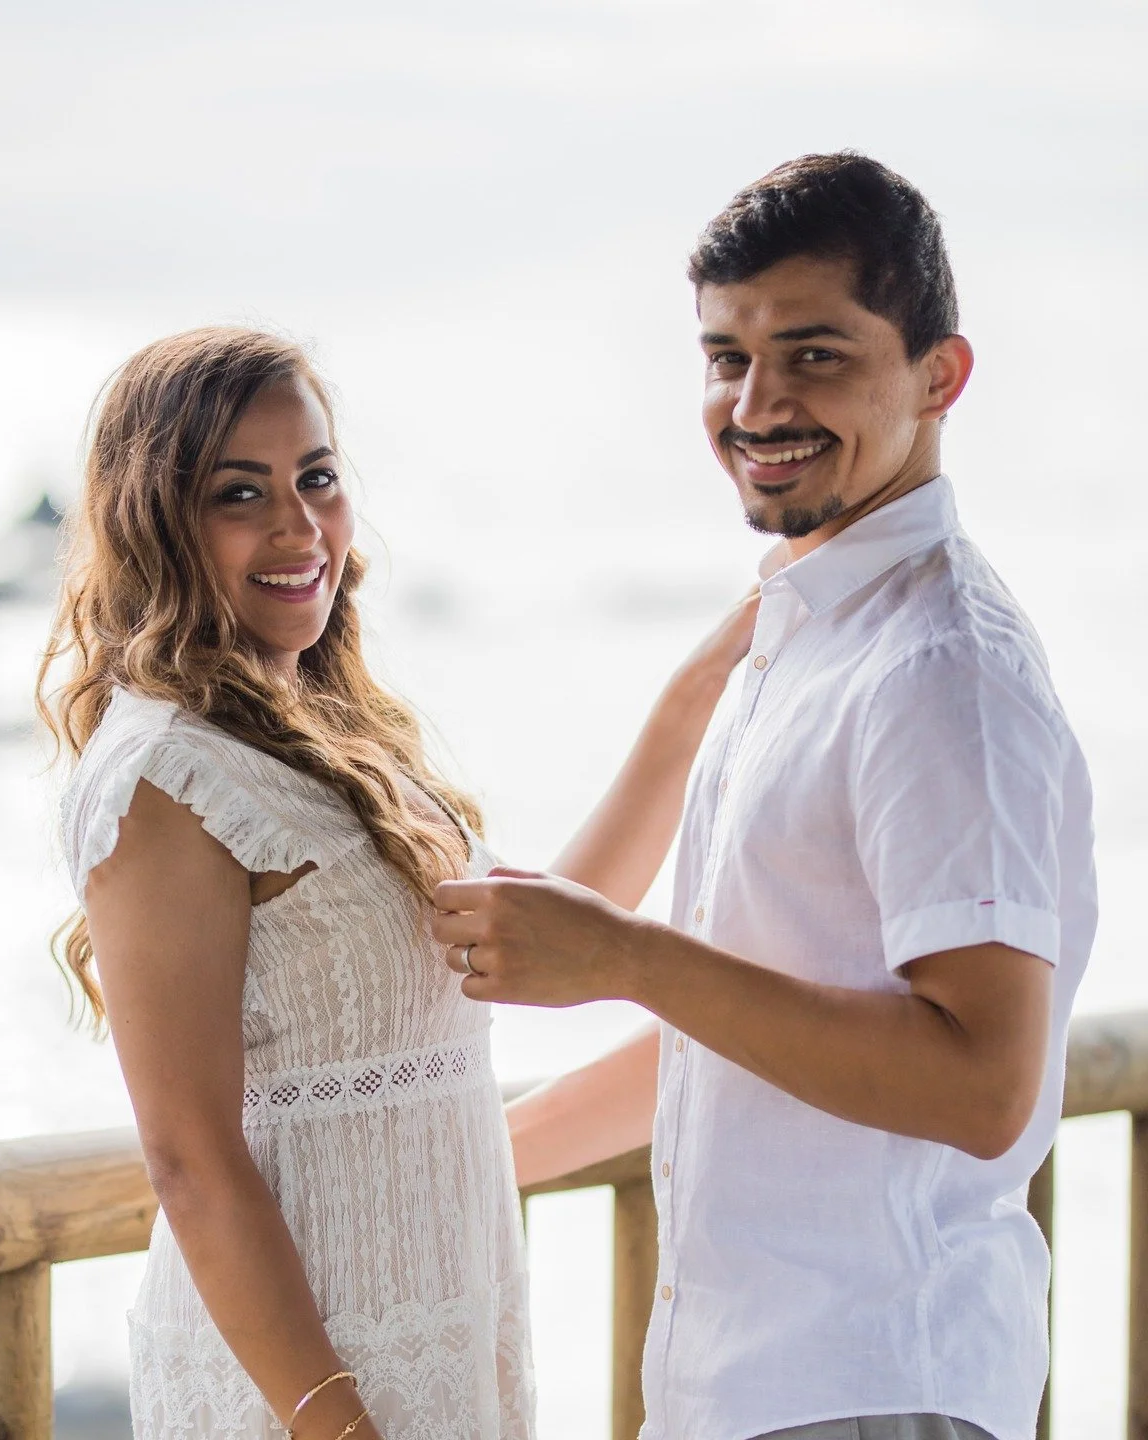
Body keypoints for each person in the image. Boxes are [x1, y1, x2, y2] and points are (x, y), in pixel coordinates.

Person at [433, 153, 1096, 1440]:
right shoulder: (801, 635)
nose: (758, 400)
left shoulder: (941, 672)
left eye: (816, 355)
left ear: (938, 377)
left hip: (872, 1389)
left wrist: (626, 954)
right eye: (726, 357)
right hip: (755, 1391)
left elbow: (981, 1083)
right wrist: (463, 1173)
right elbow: (744, 1034)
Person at [37, 327, 758, 1439]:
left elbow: (515, 944)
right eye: (241, 493)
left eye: (315, 478)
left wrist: (688, 707)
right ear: (157, 521)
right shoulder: (164, 774)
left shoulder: (322, 737)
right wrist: (339, 1427)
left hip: (442, 1338)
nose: (298, 526)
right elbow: (191, 1157)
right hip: (309, 1384)